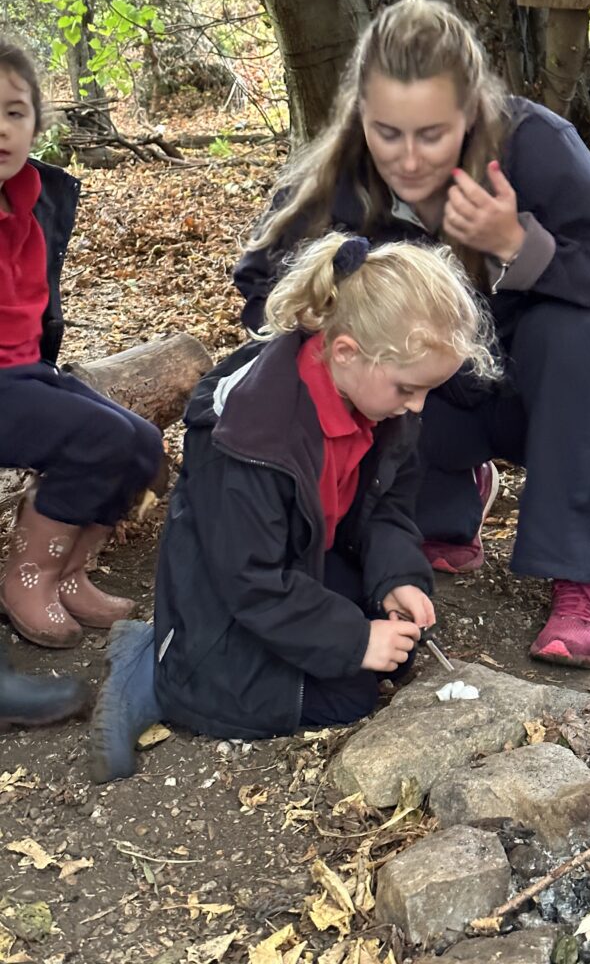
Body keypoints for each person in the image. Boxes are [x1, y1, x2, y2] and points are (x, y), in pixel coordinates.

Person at [231, 0, 590, 669]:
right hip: (426, 403)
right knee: (358, 352)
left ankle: (577, 574)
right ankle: (449, 505)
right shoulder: (339, 173)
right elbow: (260, 284)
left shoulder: (536, 144)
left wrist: (515, 243)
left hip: (532, 397)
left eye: (433, 134)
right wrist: (325, 314)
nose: (410, 160)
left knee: (576, 332)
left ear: (472, 112)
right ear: (361, 114)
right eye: (388, 133)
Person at [88, 231, 497, 783]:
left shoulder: (379, 402)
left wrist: (397, 578)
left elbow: (388, 510)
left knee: (392, 655)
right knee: (343, 697)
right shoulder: (254, 437)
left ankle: (171, 652)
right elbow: (250, 577)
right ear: (347, 351)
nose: (417, 406)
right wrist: (354, 639)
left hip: (299, 565)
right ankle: (154, 671)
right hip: (227, 594)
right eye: (408, 389)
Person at [0, 40, 164, 650]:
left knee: (142, 444)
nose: (1, 128)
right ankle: (27, 575)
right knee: (98, 438)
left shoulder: (34, 199)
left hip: (25, 374)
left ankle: (67, 573)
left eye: (15, 112)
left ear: (37, 124)